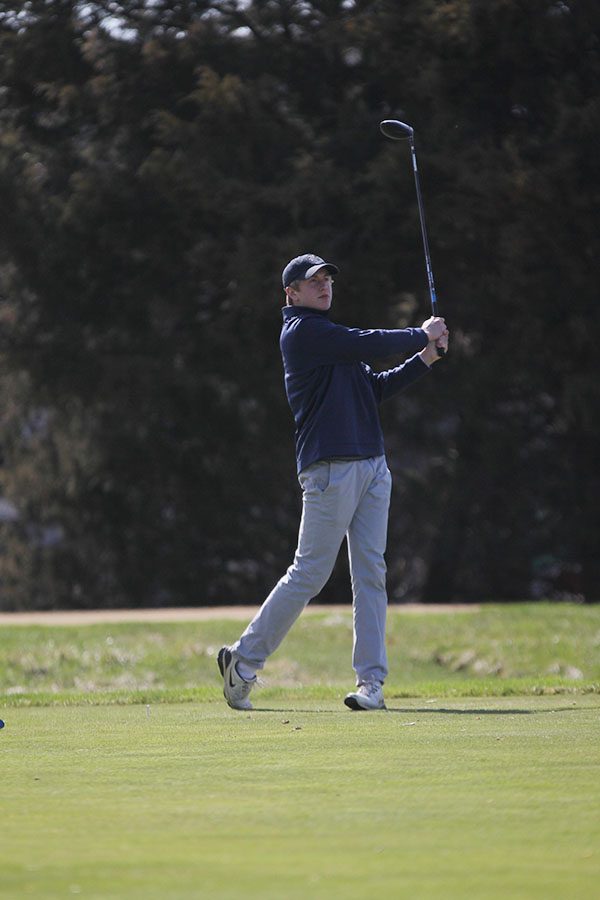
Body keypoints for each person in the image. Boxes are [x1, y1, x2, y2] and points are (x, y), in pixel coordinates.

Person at [218, 253, 449, 711]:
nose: (324, 286)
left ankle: (371, 685)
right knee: (310, 572)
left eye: (327, 279)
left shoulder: (333, 341)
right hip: (329, 470)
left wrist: (425, 358)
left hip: (372, 465)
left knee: (371, 574)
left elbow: (376, 388)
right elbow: (368, 343)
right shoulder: (304, 334)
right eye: (313, 281)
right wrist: (417, 333)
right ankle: (242, 661)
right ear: (292, 294)